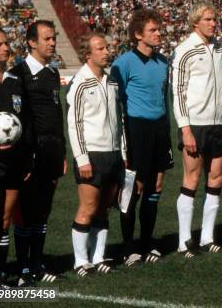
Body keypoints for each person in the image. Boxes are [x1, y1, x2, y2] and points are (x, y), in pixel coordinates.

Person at [172, 1, 222, 257]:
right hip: (195, 124)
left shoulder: (220, 48)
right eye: (208, 19)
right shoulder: (184, 50)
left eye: (214, 19)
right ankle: (184, 240)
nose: (213, 23)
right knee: (192, 179)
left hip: (218, 124)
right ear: (195, 22)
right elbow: (178, 92)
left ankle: (208, 236)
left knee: (217, 178)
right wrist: (185, 128)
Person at [111, 9, 173, 266]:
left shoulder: (163, 63)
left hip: (160, 129)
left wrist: (168, 130)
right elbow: (115, 103)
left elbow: (165, 100)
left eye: (159, 30)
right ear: (138, 34)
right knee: (132, 188)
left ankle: (147, 244)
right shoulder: (123, 63)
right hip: (136, 130)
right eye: (153, 30)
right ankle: (128, 248)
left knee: (155, 187)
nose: (159, 34)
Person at [11, 20, 66, 286]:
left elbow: (57, 117)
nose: (52, 42)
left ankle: (37, 263)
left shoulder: (53, 74)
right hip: (30, 154)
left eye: (54, 38)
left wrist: (62, 152)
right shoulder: (18, 74)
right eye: (47, 38)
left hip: (52, 152)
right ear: (32, 42)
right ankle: (22, 268)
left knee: (43, 211)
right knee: (25, 211)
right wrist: (26, 153)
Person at [67, 33, 126, 276]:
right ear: (87, 54)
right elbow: (75, 123)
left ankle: (98, 256)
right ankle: (80, 261)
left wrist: (122, 151)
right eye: (100, 48)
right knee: (88, 207)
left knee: (104, 208)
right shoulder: (80, 83)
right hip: (91, 154)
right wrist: (82, 159)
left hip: (113, 154)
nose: (107, 51)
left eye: (107, 47)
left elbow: (119, 121)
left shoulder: (112, 81)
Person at [0, 27, 31, 288]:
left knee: (5, 221)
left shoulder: (16, 81)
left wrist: (28, 157)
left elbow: (25, 121)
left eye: (7, 44)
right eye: (0, 44)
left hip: (15, 160)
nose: (6, 48)